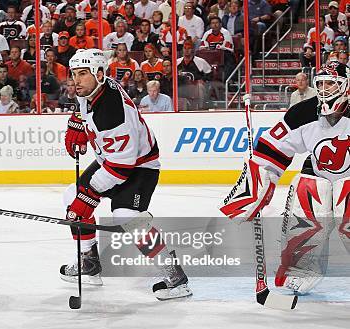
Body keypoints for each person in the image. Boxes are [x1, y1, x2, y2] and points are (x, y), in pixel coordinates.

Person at [60, 49, 192, 300]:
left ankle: (176, 277)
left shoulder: (112, 114)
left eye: (82, 74)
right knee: (70, 197)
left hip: (140, 166)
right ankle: (90, 262)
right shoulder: (98, 85)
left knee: (127, 217)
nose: (76, 80)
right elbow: (83, 104)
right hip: (112, 160)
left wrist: (89, 195)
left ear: (99, 74)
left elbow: (121, 168)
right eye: (74, 74)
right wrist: (76, 122)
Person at [220, 61, 350, 296]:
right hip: (319, 170)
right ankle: (304, 266)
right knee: (309, 188)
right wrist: (257, 187)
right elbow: (271, 151)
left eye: (331, 83)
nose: (325, 90)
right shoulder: (303, 112)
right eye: (321, 84)